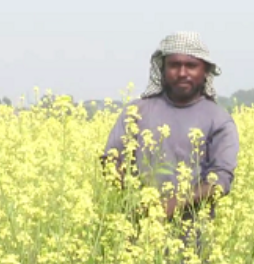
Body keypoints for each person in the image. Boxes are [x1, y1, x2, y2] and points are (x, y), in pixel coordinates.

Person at [102, 32, 239, 232]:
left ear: (205, 72)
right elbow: (111, 159)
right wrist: (139, 199)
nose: (182, 73)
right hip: (136, 235)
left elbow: (221, 179)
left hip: (192, 242)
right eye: (174, 65)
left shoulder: (218, 120)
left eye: (191, 66)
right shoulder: (136, 112)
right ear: (162, 69)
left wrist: (171, 205)